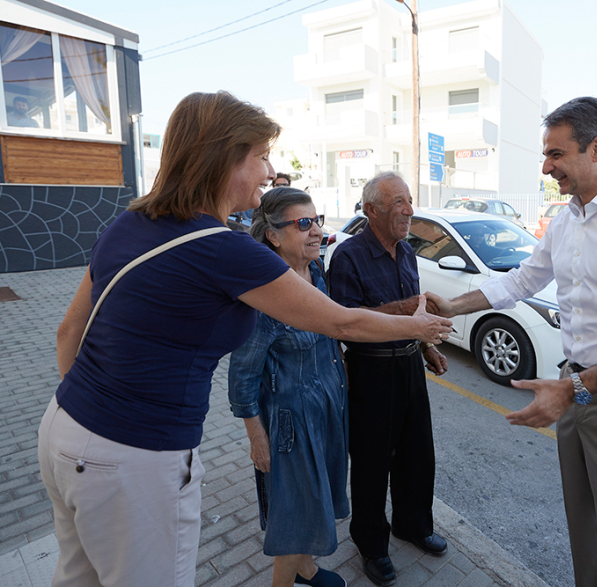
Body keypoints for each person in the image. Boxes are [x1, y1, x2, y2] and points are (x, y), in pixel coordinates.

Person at [37, 91, 452, 587]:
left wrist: (90, 414)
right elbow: (342, 323)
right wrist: (421, 326)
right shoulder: (225, 249)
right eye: (260, 156)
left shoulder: (128, 222)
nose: (268, 169)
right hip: (135, 457)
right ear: (223, 158)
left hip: (63, 428)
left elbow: (69, 332)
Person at [425, 97, 597, 587]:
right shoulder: (568, 219)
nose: (547, 167)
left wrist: (572, 390)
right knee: (586, 538)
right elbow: (520, 281)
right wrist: (451, 308)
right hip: (577, 390)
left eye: (556, 154)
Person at [328, 171, 450, 587]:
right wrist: (407, 314)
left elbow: (413, 318)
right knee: (371, 462)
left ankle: (412, 525)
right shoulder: (347, 257)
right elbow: (344, 323)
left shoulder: (408, 253)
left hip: (409, 365)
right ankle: (372, 545)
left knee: (418, 452)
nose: (408, 210)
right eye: (398, 202)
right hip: (371, 371)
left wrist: (427, 346)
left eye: (409, 200)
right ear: (371, 210)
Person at [228, 187, 348, 587]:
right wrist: (256, 436)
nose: (316, 231)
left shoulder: (314, 271)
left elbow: (330, 333)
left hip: (325, 403)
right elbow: (242, 375)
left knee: (317, 498)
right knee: (296, 511)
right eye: (303, 223)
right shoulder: (264, 294)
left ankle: (307, 569)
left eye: (317, 220)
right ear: (273, 235)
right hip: (290, 420)